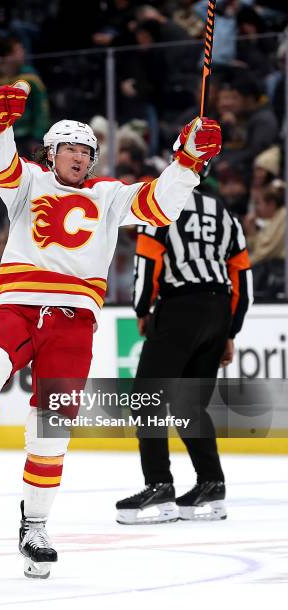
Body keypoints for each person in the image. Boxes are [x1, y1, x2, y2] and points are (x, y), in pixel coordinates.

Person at [0, 80, 222, 579]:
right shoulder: (27, 183)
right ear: (50, 152)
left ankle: (35, 526)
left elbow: (159, 205)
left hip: (73, 322)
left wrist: (188, 163)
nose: (79, 156)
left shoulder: (108, 196)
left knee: (52, 429)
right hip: (19, 306)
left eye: (87, 150)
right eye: (69, 148)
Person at [115, 184, 253, 525]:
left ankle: (159, 484)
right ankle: (212, 483)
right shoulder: (227, 216)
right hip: (218, 309)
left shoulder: (161, 206)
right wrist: (230, 332)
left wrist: (142, 309)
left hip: (180, 308)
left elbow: (147, 264)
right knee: (190, 404)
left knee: (145, 400)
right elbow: (243, 282)